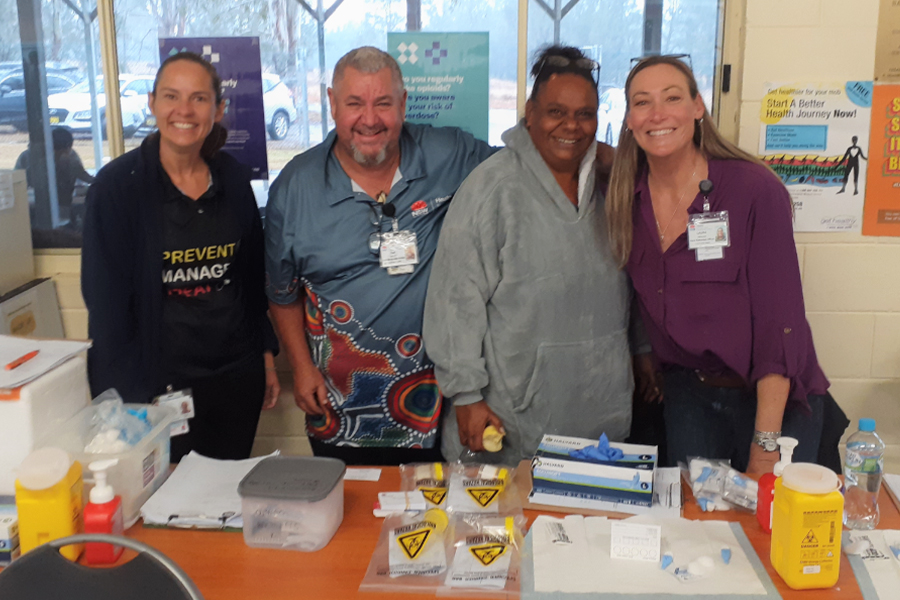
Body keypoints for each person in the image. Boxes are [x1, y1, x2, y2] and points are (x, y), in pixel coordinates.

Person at [605, 55, 846, 474]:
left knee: (768, 529)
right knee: (694, 530)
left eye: (673, 98)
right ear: (628, 118)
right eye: (642, 102)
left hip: (773, 403)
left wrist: (765, 443)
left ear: (698, 108)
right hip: (690, 397)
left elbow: (780, 325)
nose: (657, 114)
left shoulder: (753, 190)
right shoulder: (626, 200)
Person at [265, 46, 498, 466]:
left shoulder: (450, 155)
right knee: (349, 524)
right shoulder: (295, 188)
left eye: (383, 104)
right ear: (332, 104)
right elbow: (283, 293)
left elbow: (524, 168)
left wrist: (616, 160)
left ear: (404, 104)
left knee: (426, 523)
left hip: (437, 407)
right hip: (336, 411)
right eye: (354, 103)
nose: (369, 119)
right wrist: (301, 368)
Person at [422, 46, 643, 464]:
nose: (571, 126)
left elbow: (635, 280)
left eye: (585, 114)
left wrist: (643, 351)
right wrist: (465, 395)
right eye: (556, 111)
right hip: (512, 422)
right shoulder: (492, 189)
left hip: (601, 419)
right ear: (529, 112)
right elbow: (455, 302)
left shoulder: (611, 188)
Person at [82, 52, 279, 462]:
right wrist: (124, 403)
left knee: (225, 500)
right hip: (157, 388)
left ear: (218, 109)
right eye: (171, 96)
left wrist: (265, 355)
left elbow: (249, 278)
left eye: (199, 98)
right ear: (152, 102)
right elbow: (106, 308)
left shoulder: (233, 178)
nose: (184, 111)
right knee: (161, 512)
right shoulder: (118, 189)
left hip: (235, 380)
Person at [15, 126, 94, 216]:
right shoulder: (28, 157)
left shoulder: (71, 157)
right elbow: (19, 184)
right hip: (35, 206)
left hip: (64, 204)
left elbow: (83, 176)